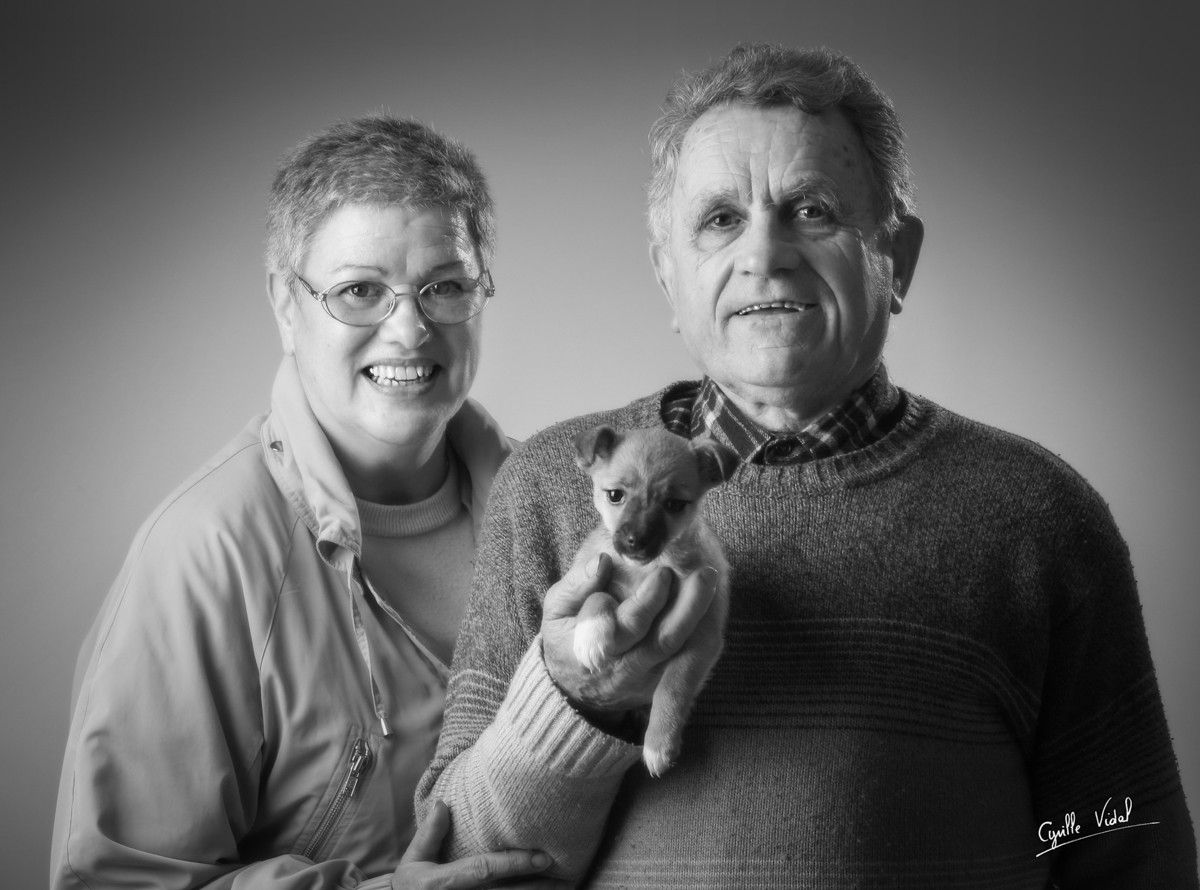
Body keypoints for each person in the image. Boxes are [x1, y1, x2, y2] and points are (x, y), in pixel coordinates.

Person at [416, 45, 1199, 887]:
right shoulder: (544, 488)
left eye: (812, 210)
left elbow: (1123, 855)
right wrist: (575, 697)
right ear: (668, 275)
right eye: (720, 221)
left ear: (896, 259)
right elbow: (449, 860)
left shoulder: (1041, 517)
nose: (765, 254)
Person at [50, 116, 561, 888]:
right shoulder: (205, 553)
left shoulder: (560, 511)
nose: (410, 329)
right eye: (360, 291)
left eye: (444, 286)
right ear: (286, 305)